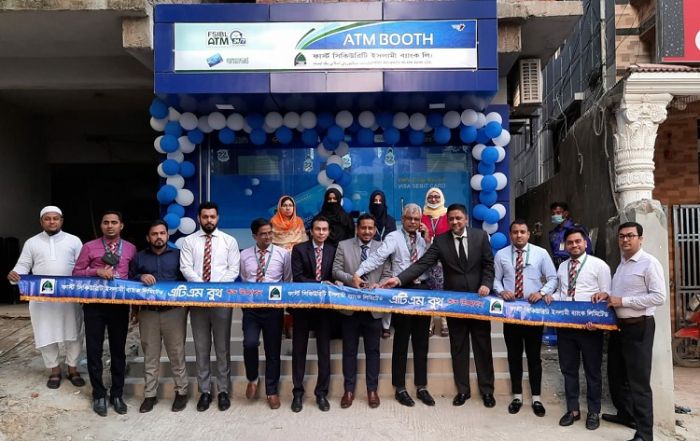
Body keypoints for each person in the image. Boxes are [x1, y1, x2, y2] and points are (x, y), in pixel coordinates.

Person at [381, 203, 496, 409]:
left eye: (458, 218)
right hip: (454, 302)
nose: (455, 222)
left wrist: (487, 284)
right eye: (451, 219)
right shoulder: (441, 241)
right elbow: (422, 263)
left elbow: (488, 264)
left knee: (482, 345)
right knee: (458, 346)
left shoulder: (480, 237)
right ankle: (463, 391)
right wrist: (398, 279)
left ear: (466, 219)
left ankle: (487, 391)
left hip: (478, 301)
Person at [351, 203, 435, 407]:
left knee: (422, 341)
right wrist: (358, 272)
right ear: (402, 219)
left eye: (416, 219)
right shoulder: (393, 237)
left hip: (422, 290)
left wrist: (428, 240)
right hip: (402, 289)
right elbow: (378, 257)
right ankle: (400, 388)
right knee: (402, 340)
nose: (413, 222)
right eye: (409, 218)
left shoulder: (424, 239)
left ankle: (421, 386)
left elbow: (433, 260)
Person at [593, 222, 666, 441]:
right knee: (616, 375)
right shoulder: (622, 264)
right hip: (619, 328)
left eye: (630, 236)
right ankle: (626, 414)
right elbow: (618, 293)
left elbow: (659, 297)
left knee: (638, 382)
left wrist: (622, 301)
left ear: (640, 239)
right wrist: (608, 296)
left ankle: (644, 434)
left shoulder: (649, 263)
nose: (625, 240)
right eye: (622, 236)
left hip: (639, 327)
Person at [7, 206, 84, 390]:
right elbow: (23, 265)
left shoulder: (74, 241)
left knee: (74, 333)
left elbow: (82, 266)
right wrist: (15, 275)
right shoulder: (32, 243)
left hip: (69, 297)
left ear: (61, 221)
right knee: (45, 333)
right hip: (42, 300)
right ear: (41, 222)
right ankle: (54, 371)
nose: (52, 221)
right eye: (47, 219)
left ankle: (73, 370)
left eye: (55, 218)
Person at [72, 210, 137, 416]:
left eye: (114, 222)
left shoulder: (131, 248)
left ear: (121, 225)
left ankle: (117, 394)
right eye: (106, 222)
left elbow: (133, 277)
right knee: (94, 350)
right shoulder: (89, 247)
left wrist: (135, 305)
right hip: (94, 305)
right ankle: (98, 394)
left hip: (119, 305)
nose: (110, 226)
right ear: (101, 225)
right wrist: (95, 271)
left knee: (118, 351)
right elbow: (76, 273)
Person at [179, 201, 240, 412]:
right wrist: (204, 289)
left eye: (212, 217)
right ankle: (204, 391)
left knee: (222, 348)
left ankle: (223, 391)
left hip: (221, 300)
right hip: (198, 301)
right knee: (201, 347)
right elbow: (185, 268)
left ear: (218, 218)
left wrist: (216, 289)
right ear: (199, 218)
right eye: (205, 217)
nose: (209, 220)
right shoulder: (189, 241)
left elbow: (233, 269)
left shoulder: (229, 241)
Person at [493, 219, 558, 417]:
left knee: (533, 356)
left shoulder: (541, 253)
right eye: (515, 232)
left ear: (528, 234)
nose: (519, 235)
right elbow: (495, 279)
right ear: (510, 234)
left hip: (533, 312)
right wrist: (501, 291)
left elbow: (553, 278)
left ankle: (536, 398)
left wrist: (541, 292)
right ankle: (517, 397)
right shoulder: (501, 254)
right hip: (511, 312)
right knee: (514, 356)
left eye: (522, 232)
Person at [552, 228, 611, 431]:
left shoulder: (599, 265)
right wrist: (551, 297)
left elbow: (607, 294)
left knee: (592, 371)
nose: (574, 245)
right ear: (566, 246)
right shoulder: (562, 267)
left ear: (585, 243)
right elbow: (563, 294)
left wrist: (599, 315)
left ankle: (594, 411)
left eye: (578, 241)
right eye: (570, 242)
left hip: (590, 327)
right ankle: (573, 409)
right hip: (566, 326)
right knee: (568, 370)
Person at [333, 213, 392, 409]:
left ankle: (372, 390)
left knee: (372, 351)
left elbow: (388, 273)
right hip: (350, 307)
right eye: (363, 228)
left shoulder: (383, 247)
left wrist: (379, 285)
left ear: (375, 230)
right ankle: (348, 390)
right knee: (349, 350)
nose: (367, 231)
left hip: (373, 308)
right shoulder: (343, 246)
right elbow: (335, 270)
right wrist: (352, 279)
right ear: (357, 229)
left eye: (370, 228)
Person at [129, 220, 188, 413]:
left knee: (177, 353)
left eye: (162, 233)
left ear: (168, 235)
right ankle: (150, 395)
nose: (159, 237)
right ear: (148, 237)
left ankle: (181, 392)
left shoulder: (178, 256)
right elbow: (129, 281)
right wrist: (140, 277)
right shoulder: (139, 257)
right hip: (148, 312)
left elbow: (187, 282)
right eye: (154, 234)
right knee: (150, 355)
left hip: (174, 312)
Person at [239, 218, 292, 410]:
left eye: (270, 233)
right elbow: (244, 278)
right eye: (263, 234)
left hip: (273, 309)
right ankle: (252, 378)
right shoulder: (244, 255)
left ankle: (271, 391)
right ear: (254, 236)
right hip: (251, 308)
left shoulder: (283, 254)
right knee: (249, 343)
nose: (268, 236)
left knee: (273, 351)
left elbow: (287, 279)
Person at [289, 215, 336, 413]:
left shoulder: (333, 250)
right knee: (299, 350)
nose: (321, 233)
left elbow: (334, 275)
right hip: (303, 306)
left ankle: (321, 393)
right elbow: (298, 277)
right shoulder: (299, 249)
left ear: (329, 232)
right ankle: (298, 393)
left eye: (324, 229)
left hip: (324, 309)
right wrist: (321, 284)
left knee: (324, 351)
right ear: (311, 231)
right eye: (318, 229)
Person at [421, 187, 450, 337]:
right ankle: (430, 321)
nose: (433, 199)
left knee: (443, 289)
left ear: (442, 198)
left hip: (444, 258)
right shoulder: (422, 216)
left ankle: (444, 320)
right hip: (426, 257)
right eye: (430, 197)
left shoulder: (447, 215)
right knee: (429, 290)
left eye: (437, 196)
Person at [548, 201, 593, 268]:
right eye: (553, 214)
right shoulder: (552, 234)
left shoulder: (577, 230)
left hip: (576, 265)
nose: (555, 216)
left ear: (566, 214)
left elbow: (588, 250)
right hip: (559, 267)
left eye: (558, 213)